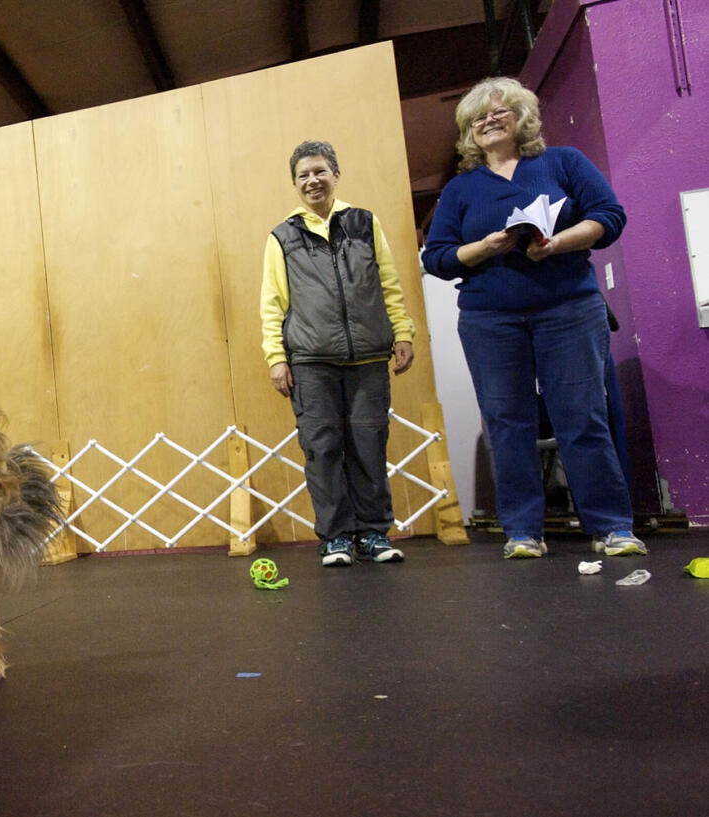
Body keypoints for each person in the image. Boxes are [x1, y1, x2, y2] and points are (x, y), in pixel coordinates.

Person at [421, 76, 646, 559]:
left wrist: (557, 243)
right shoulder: (461, 189)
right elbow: (436, 258)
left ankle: (611, 527)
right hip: (489, 319)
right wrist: (487, 246)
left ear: (522, 116)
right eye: (477, 117)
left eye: (499, 110)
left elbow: (609, 216)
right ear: (468, 132)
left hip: (568, 307)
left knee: (582, 417)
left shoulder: (562, 163)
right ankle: (523, 532)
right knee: (507, 422)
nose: (488, 120)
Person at [261, 141, 415, 567]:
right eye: (303, 175)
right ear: (294, 183)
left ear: (335, 175)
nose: (312, 180)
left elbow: (389, 284)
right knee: (322, 449)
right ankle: (335, 539)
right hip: (310, 363)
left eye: (320, 171)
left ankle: (373, 535)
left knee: (369, 446)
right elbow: (272, 302)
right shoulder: (282, 236)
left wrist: (402, 332)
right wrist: (276, 357)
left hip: (368, 358)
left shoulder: (365, 224)